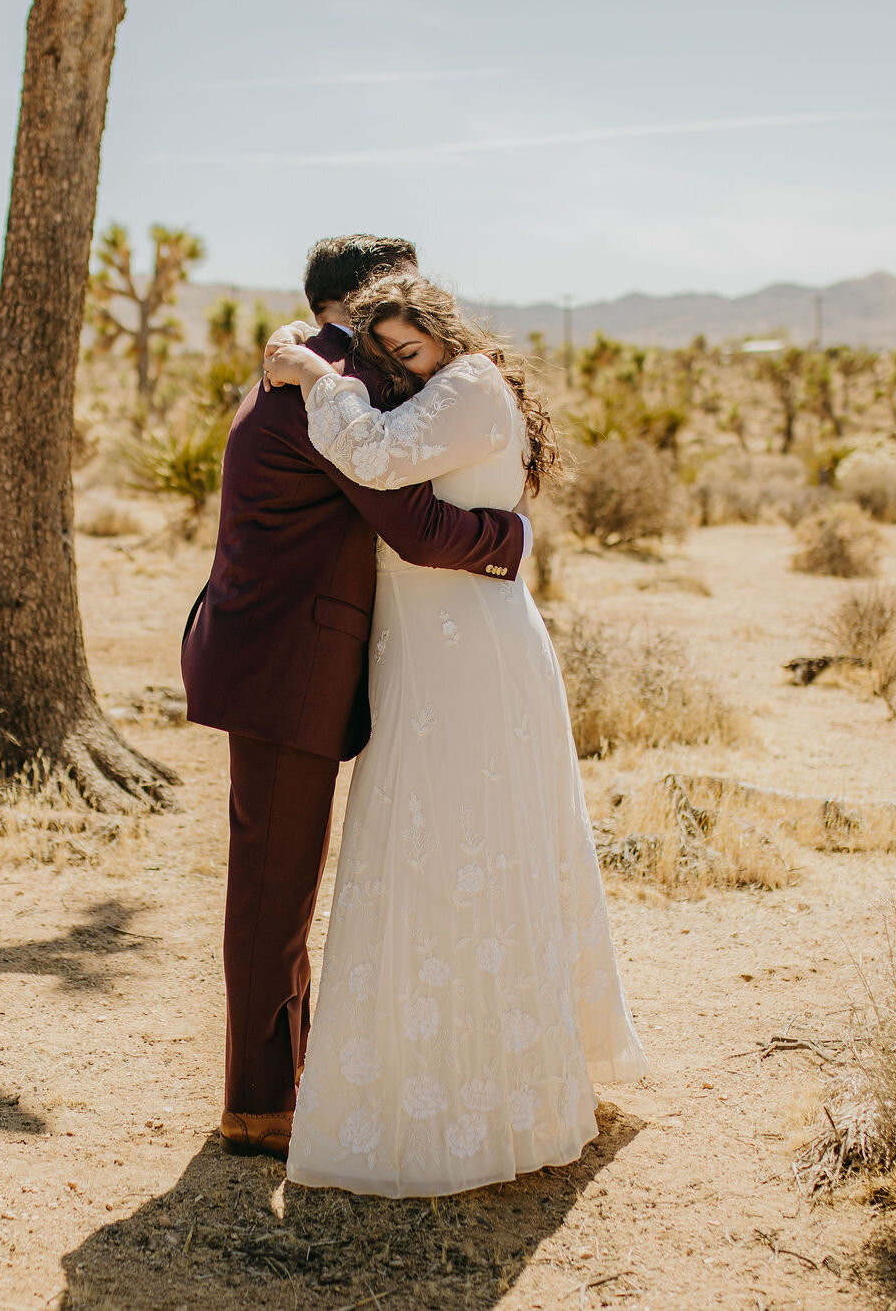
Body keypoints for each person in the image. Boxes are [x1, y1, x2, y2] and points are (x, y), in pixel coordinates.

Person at [261, 272, 646, 1197]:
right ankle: (423, 1069)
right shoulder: (438, 391)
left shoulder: (469, 383)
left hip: (471, 651)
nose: (401, 366)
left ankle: (490, 1085)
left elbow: (376, 458)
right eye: (385, 354)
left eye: (409, 348)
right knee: (425, 847)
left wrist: (316, 376)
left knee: (469, 845)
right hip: (424, 651)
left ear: (445, 332)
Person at [180, 235, 532, 1161]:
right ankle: (258, 1104)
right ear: (372, 295)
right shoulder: (333, 380)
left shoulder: (306, 365)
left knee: (280, 877)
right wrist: (512, 541)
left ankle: (281, 1085)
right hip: (286, 657)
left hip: (271, 647)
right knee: (274, 885)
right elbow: (409, 522)